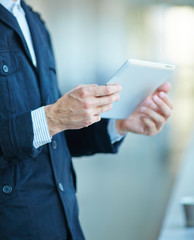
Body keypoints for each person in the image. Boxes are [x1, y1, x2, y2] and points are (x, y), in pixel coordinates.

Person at [0, 0, 173, 239]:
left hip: (63, 222)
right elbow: (49, 122)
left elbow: (54, 140)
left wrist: (119, 123)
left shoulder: (34, 21)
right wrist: (52, 118)